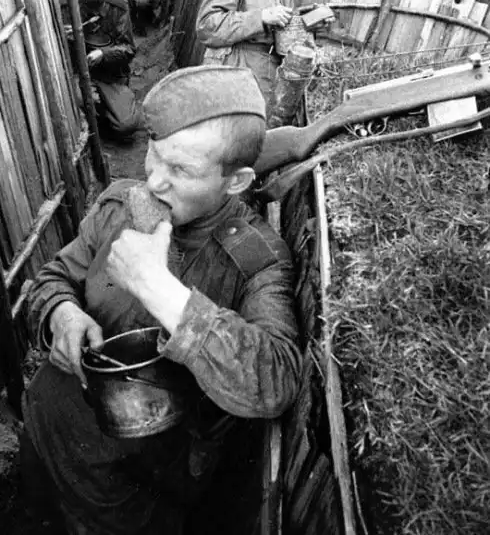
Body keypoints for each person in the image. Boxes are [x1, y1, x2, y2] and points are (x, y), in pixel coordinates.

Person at [21, 65, 302, 535]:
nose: (153, 182)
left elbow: (275, 380)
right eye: (155, 155)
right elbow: (53, 279)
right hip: (49, 425)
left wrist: (156, 286)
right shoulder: (118, 203)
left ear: (235, 181)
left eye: (181, 171)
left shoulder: (257, 261)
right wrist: (61, 313)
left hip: (132, 485)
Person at [76, 0, 140, 139]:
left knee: (126, 125)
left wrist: (103, 54)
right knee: (80, 103)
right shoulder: (68, 6)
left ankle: (106, 112)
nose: (97, 12)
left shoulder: (119, 7)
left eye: (100, 7)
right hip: (77, 74)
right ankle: (96, 113)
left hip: (109, 75)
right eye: (91, 9)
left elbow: (129, 49)